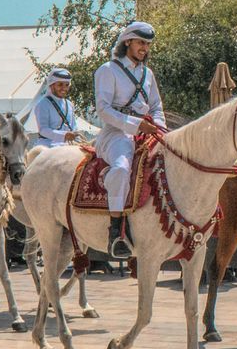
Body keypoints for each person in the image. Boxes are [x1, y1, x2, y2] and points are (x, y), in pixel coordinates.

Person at [92, 22, 164, 259]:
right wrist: (135, 125)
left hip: (147, 132)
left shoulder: (148, 73)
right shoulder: (107, 70)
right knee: (122, 169)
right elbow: (103, 110)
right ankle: (116, 231)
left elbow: (156, 106)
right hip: (116, 134)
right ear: (127, 43)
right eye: (141, 43)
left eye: (147, 44)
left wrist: (161, 131)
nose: (145, 48)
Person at [30, 65, 96, 148]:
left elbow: (73, 127)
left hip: (68, 144)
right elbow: (43, 130)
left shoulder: (69, 104)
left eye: (66, 85)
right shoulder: (43, 104)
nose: (64, 88)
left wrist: (78, 137)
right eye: (60, 85)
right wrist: (64, 135)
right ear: (51, 85)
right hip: (48, 145)